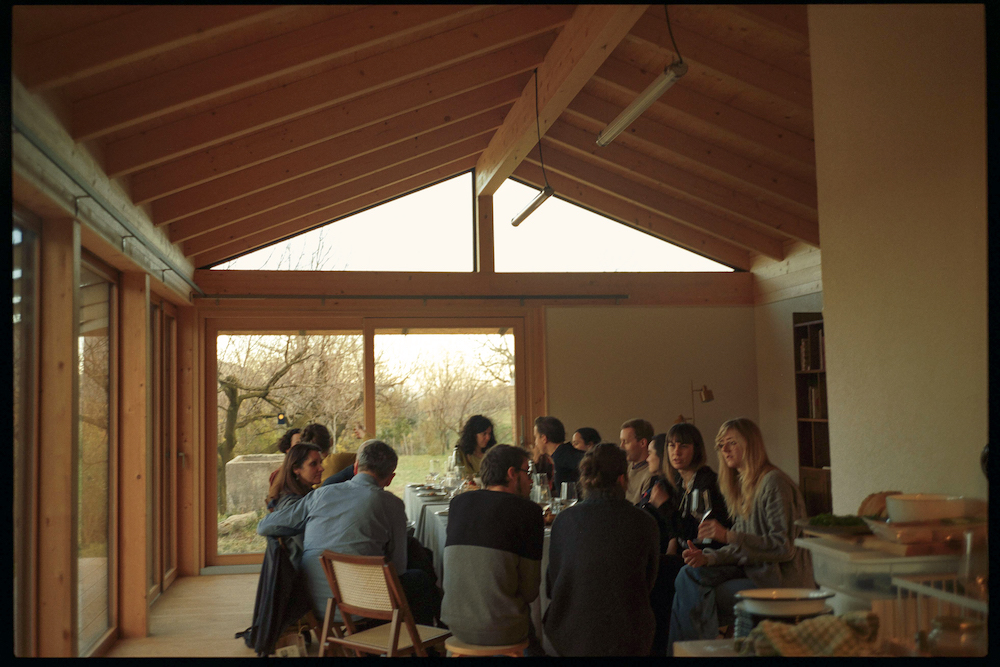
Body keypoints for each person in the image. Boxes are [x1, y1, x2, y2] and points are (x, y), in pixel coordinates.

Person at [667, 418, 814, 651]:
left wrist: (728, 536)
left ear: (751, 445)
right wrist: (708, 558)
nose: (724, 449)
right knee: (687, 574)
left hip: (781, 581)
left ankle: (701, 650)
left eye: (731, 443)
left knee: (696, 593)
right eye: (721, 444)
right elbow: (741, 546)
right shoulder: (744, 485)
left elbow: (783, 547)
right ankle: (690, 651)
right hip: (755, 569)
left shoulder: (773, 483)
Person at [257, 440, 440, 626]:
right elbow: (398, 568)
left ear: (355, 467)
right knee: (418, 579)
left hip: (316, 604)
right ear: (390, 478)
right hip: (365, 608)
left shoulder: (321, 495)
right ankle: (421, 643)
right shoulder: (392, 504)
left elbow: (264, 527)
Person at [543, 443, 660, 656]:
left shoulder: (563, 521)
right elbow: (648, 582)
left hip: (570, 636)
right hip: (629, 637)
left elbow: (552, 586)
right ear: (622, 479)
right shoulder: (645, 522)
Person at [440, 445, 544, 655]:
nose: (531, 481)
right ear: (512, 474)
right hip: (503, 630)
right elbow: (530, 592)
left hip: (455, 625)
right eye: (527, 473)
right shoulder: (529, 512)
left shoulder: (458, 503)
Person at [239, 442, 321, 656]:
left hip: (300, 576)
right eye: (314, 464)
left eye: (320, 462)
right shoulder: (293, 504)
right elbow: (310, 547)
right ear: (296, 469)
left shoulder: (292, 496)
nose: (321, 467)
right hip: (306, 582)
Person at [664, 422, 731, 551]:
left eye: (683, 446)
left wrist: (664, 505)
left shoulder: (708, 482)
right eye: (671, 446)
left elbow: (694, 533)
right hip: (686, 552)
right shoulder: (677, 481)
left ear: (696, 449)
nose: (676, 452)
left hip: (710, 554)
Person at [535, 416, 581, 497]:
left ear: (544, 438)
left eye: (535, 437)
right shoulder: (565, 452)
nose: (535, 443)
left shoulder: (562, 456)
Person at [620, 418, 655, 504]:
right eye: (621, 441)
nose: (621, 446)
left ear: (642, 443)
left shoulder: (652, 474)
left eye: (626, 442)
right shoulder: (625, 468)